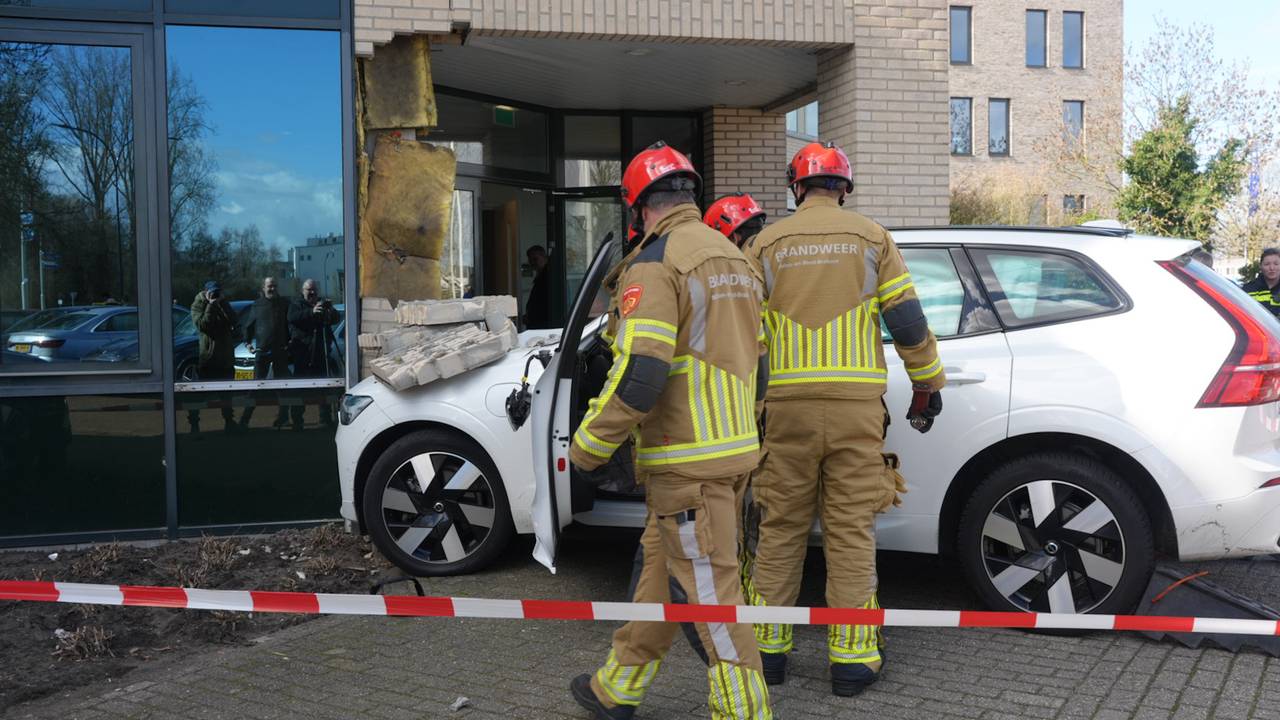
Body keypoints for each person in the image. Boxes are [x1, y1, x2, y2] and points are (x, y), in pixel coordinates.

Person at [568, 142, 773, 720]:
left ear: (637, 206)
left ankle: (746, 711)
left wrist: (585, 453)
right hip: (731, 453)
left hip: (686, 462)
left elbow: (641, 371)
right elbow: (759, 363)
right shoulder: (734, 257)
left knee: (710, 596)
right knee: (659, 576)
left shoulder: (656, 263)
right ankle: (617, 688)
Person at [743, 141, 945, 697]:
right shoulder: (872, 238)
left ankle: (768, 654)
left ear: (797, 187)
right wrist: (928, 382)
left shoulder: (764, 244)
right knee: (851, 531)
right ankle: (852, 662)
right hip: (857, 412)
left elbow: (745, 333)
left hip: (786, 411)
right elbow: (908, 321)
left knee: (780, 529)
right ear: (844, 188)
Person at [288, 279, 341, 428]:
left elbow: (336, 319)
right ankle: (297, 421)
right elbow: (292, 318)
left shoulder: (321, 304)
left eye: (314, 290)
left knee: (323, 388)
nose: (312, 293)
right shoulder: (296, 305)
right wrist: (311, 312)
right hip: (303, 354)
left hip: (320, 353)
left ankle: (325, 418)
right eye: (309, 290)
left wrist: (330, 310)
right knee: (300, 389)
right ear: (302, 291)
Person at [240, 277, 291, 429]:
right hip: (262, 351)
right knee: (255, 387)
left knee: (283, 387)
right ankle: (244, 420)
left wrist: (290, 342)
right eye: (269, 286)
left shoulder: (284, 304)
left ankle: (283, 417)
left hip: (280, 350)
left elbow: (290, 325)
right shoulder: (257, 305)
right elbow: (248, 326)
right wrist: (247, 342)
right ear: (263, 288)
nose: (272, 289)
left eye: (274, 286)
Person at [189, 281, 240, 432]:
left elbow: (234, 321)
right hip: (208, 358)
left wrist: (223, 304)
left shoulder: (223, 303)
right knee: (199, 394)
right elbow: (203, 325)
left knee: (227, 395)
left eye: (217, 292)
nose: (215, 295)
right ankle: (194, 424)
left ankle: (229, 422)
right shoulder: (198, 305)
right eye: (212, 292)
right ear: (205, 292)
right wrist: (211, 306)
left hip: (225, 357)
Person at [1243, 247, 1280, 319]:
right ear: (1260, 266)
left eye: (1276, 264)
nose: (1272, 268)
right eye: (1267, 264)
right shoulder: (1248, 290)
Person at [524, 245, 554, 329]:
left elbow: (543, 302)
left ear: (544, 257)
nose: (532, 263)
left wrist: (532, 317)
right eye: (530, 260)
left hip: (543, 324)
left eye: (535, 259)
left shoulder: (549, 276)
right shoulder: (541, 276)